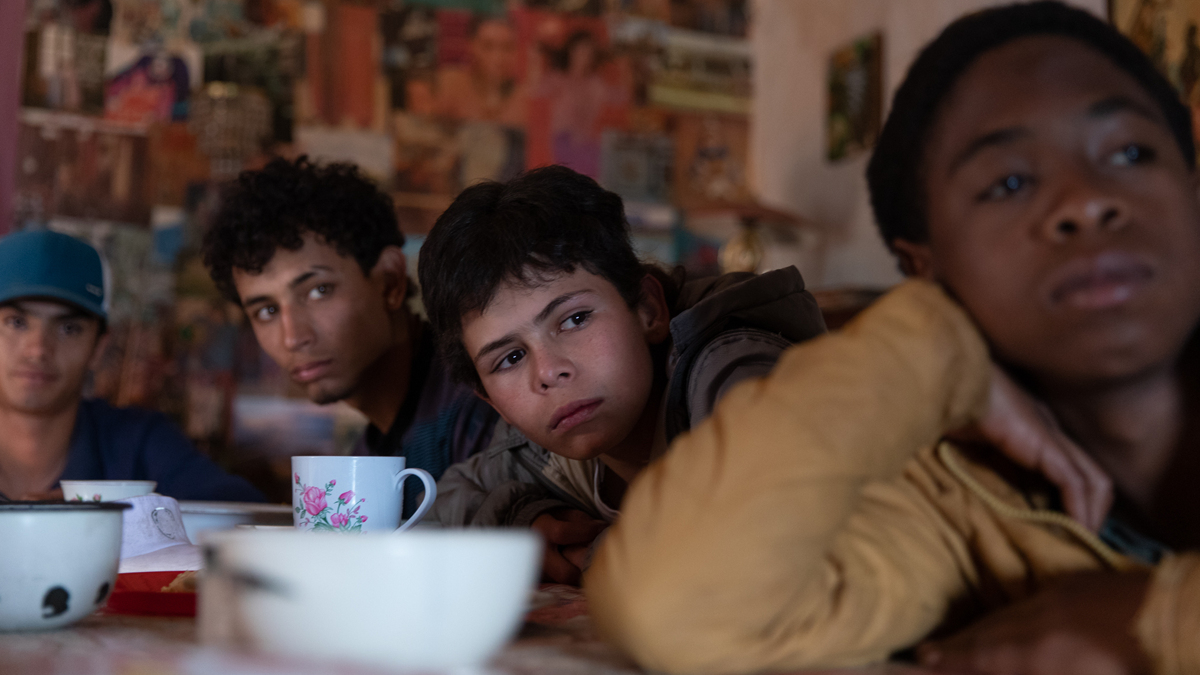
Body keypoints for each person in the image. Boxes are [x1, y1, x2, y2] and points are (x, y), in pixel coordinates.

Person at [585, 4, 1200, 675]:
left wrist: (1154, 618)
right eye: (1010, 183)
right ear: (924, 268)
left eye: (1131, 153)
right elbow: (675, 608)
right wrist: (935, 346)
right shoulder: (953, 509)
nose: (1085, 201)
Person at [417, 165, 826, 584]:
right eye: (511, 358)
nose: (549, 372)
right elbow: (435, 508)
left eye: (575, 319)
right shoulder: (538, 450)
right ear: (490, 400)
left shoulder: (736, 377)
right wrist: (517, 520)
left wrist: (598, 553)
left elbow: (774, 549)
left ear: (647, 309)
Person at [202, 157, 499, 516]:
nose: (293, 337)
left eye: (319, 290)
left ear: (390, 281)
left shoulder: (483, 402)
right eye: (266, 311)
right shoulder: (368, 455)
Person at [0, 230, 264, 502]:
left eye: (69, 328)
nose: (38, 350)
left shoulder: (138, 442)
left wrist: (111, 513)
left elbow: (242, 507)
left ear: (99, 347)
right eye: (16, 323)